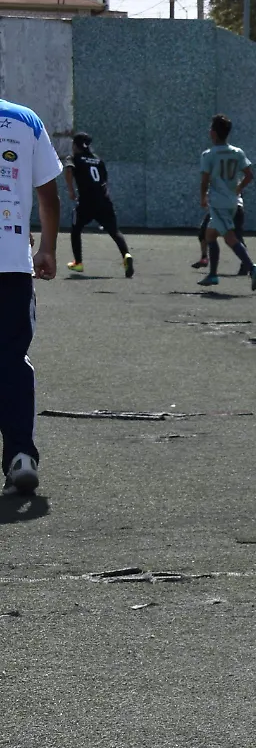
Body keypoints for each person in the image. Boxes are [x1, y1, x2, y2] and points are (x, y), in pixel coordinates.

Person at [0, 96, 61, 495]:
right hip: (11, 264)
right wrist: (48, 248)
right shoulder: (25, 119)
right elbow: (48, 197)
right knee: (10, 359)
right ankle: (21, 455)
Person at [197, 113, 256, 290]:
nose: (209, 131)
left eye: (211, 129)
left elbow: (205, 180)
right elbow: (249, 175)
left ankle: (251, 267)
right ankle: (212, 275)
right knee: (210, 235)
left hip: (218, 203)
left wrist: (203, 197)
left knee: (230, 239)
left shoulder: (208, 154)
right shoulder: (237, 152)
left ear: (214, 133)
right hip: (233, 201)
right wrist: (238, 188)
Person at [62, 132, 131, 278]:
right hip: (104, 201)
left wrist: (70, 190)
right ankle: (126, 255)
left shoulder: (74, 158)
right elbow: (104, 180)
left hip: (86, 201)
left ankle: (78, 262)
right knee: (114, 231)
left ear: (75, 145)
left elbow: (68, 169)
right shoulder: (98, 160)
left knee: (76, 229)